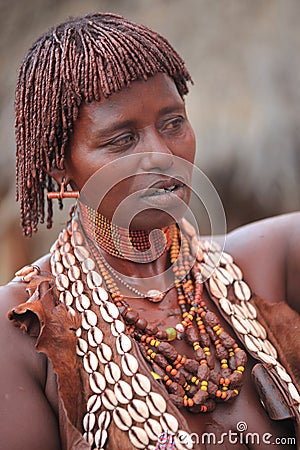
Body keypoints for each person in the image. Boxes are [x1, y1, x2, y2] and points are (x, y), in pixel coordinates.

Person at [0, 12, 299, 450]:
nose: (161, 155)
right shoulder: (22, 329)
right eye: (121, 140)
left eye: (173, 122)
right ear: (60, 168)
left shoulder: (270, 263)